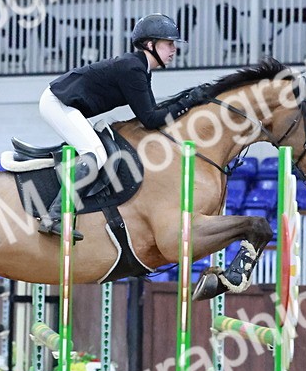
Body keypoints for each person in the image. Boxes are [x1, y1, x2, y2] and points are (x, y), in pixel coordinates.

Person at [37, 13, 214, 239]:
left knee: (96, 151)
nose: (174, 49)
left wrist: (186, 101)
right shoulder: (133, 68)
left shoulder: (140, 68)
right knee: (95, 154)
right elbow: (150, 119)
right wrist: (188, 102)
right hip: (57, 103)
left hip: (66, 104)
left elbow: (152, 114)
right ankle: (54, 216)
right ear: (150, 45)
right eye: (169, 43)